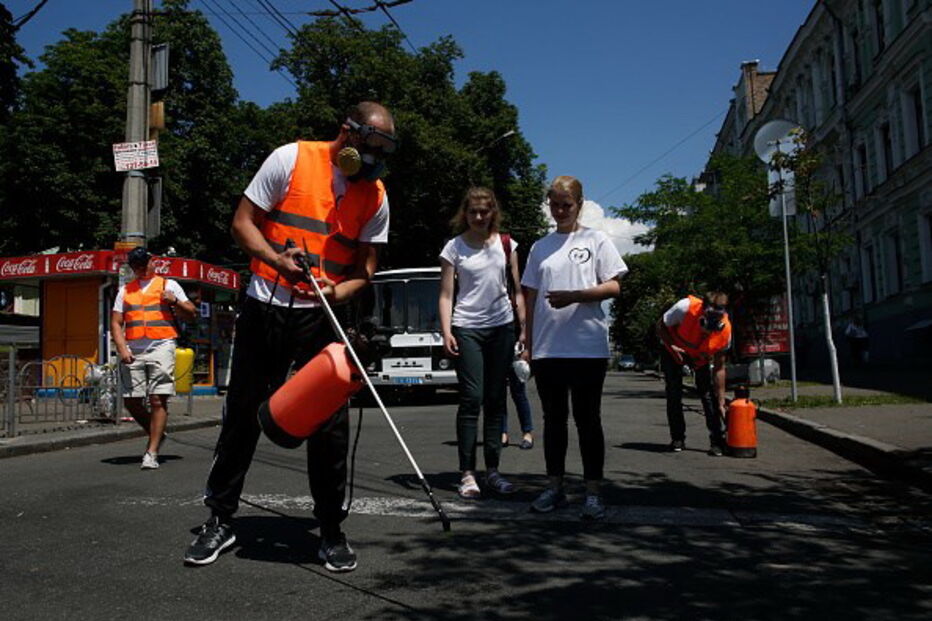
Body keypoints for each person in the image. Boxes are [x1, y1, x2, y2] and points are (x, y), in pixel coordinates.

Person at [183, 102, 396, 572]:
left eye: (385, 150)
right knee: (242, 414)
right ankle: (220, 518)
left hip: (322, 317)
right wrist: (278, 260)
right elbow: (242, 224)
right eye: (372, 145)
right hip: (267, 305)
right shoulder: (290, 158)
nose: (377, 157)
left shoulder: (376, 196)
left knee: (329, 426)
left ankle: (331, 530)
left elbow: (365, 271)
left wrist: (336, 291)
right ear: (347, 132)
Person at [521, 176, 627, 520]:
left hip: (586, 347)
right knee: (553, 421)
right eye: (554, 204)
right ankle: (555, 487)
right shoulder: (540, 247)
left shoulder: (596, 240)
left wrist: (576, 296)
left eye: (566, 204)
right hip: (549, 348)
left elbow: (613, 287)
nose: (560, 210)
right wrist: (528, 343)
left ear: (580, 204)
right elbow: (530, 296)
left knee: (587, 421)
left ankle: (593, 492)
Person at [439, 186, 525, 500]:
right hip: (467, 327)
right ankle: (467, 474)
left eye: (484, 211)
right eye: (473, 212)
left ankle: (493, 472)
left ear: (493, 213)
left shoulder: (506, 245)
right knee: (472, 397)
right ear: (465, 213)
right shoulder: (454, 248)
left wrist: (524, 329)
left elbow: (516, 290)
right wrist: (446, 330)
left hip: (502, 327)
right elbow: (447, 294)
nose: (478, 217)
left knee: (496, 399)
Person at [110, 247, 196, 470]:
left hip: (162, 345)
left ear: (152, 262)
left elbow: (191, 312)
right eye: (135, 266)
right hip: (133, 350)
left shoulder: (169, 285)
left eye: (143, 264)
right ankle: (157, 432)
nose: (140, 269)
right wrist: (122, 348)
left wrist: (175, 301)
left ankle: (151, 452)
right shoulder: (125, 291)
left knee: (158, 399)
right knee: (131, 401)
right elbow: (116, 323)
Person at [656, 292, 732, 456]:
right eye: (709, 314)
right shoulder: (684, 308)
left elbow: (719, 368)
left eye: (717, 316)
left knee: (708, 395)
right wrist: (672, 346)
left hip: (699, 358)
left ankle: (717, 441)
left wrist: (721, 401)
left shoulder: (725, 332)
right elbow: (660, 326)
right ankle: (677, 438)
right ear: (703, 309)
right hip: (673, 350)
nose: (712, 320)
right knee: (674, 392)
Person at [502, 364, 534, 450]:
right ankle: (502, 432)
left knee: (519, 394)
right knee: (499, 395)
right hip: (497, 355)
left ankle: (527, 432)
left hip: (517, 356)